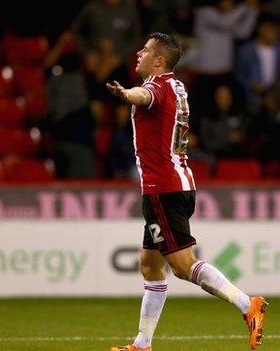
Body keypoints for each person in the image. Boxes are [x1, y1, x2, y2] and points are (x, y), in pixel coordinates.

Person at [106, 32, 268, 351]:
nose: (138, 52)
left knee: (182, 266)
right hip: (174, 183)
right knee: (151, 266)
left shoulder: (156, 86)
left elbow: (143, 96)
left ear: (159, 61)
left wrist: (126, 94)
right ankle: (142, 344)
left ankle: (248, 305)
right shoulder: (177, 86)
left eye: (146, 49)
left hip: (163, 188)